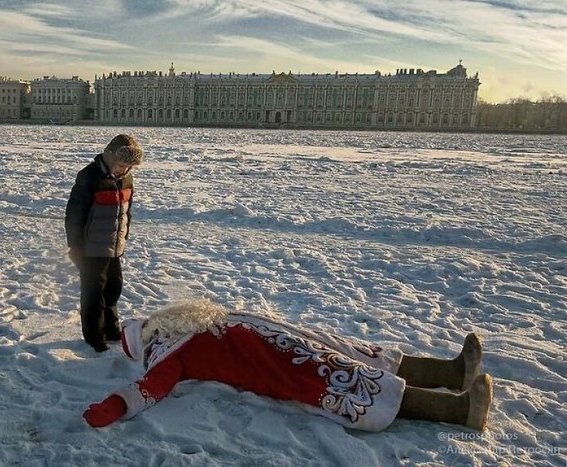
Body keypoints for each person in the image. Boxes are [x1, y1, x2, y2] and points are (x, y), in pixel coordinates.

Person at [82, 300, 493, 432]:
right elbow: (149, 389)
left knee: (357, 354)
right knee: (351, 383)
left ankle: (452, 372)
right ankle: (458, 410)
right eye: (147, 326)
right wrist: (113, 407)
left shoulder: (194, 317)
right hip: (274, 365)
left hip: (284, 340)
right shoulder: (165, 355)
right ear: (146, 338)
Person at [65, 134, 144, 353]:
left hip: (114, 246)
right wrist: (75, 246)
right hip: (91, 248)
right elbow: (74, 215)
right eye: (121, 164)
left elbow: (126, 213)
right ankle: (94, 334)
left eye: (128, 166)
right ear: (110, 157)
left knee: (113, 287)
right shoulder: (89, 176)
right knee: (94, 293)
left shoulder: (126, 179)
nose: (123, 170)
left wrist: (124, 237)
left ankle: (111, 327)